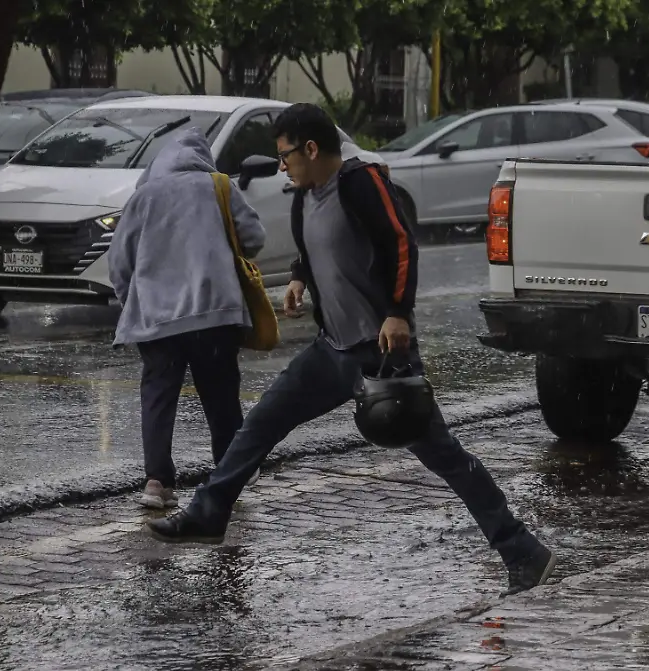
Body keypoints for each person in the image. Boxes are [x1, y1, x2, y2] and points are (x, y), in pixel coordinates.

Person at [147, 103, 556, 597]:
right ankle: (209, 512)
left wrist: (399, 312)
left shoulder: (362, 182)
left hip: (382, 354)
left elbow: (402, 243)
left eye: (286, 155)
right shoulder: (305, 195)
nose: (283, 166)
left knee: (444, 456)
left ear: (312, 149)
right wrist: (299, 277)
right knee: (259, 426)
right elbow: (314, 245)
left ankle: (523, 551)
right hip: (331, 351)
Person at [108, 127, 266, 510]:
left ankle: (157, 482)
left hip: (157, 318)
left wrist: (131, 297)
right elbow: (255, 237)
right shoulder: (220, 186)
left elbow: (119, 261)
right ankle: (228, 474)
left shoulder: (144, 195)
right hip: (213, 312)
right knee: (220, 395)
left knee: (159, 396)